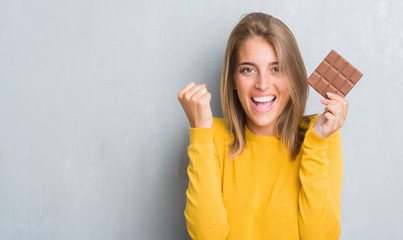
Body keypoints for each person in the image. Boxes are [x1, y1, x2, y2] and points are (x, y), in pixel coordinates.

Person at [178, 12, 347, 240]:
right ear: (233, 80)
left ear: (293, 77)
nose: (262, 84)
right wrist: (200, 132)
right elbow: (208, 236)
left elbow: (321, 238)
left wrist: (315, 143)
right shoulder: (212, 135)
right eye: (248, 69)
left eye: (276, 68)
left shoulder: (321, 133)